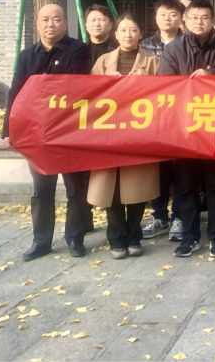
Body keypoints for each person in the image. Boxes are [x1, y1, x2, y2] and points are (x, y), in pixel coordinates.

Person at [3, 4, 91, 261]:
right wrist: (7, 129)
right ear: (37, 24)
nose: (50, 24)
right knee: (42, 190)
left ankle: (74, 238)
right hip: (37, 134)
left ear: (65, 23)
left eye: (56, 19)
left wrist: (38, 85)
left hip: (69, 131)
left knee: (76, 188)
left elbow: (71, 87)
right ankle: (41, 241)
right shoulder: (26, 56)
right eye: (45, 19)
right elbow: (16, 92)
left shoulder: (78, 50)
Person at [158, 0, 215, 258]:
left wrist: (212, 76)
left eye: (204, 18)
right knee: (186, 186)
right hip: (184, 128)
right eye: (194, 17)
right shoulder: (174, 48)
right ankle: (190, 237)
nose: (199, 22)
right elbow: (165, 84)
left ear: (212, 21)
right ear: (185, 20)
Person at [88, 14, 159, 259]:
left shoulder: (153, 62)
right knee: (112, 188)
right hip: (108, 133)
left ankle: (134, 235)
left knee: (137, 187)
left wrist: (146, 83)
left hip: (140, 134)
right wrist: (106, 84)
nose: (128, 34)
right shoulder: (103, 61)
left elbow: (165, 96)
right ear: (116, 34)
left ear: (141, 34)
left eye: (133, 30)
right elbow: (88, 95)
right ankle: (116, 238)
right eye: (123, 30)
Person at [140, 0, 186, 240]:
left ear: (181, 18)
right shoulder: (144, 46)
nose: (167, 18)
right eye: (163, 14)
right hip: (153, 118)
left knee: (180, 170)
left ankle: (178, 216)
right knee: (157, 169)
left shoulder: (188, 44)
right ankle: (159, 216)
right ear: (155, 18)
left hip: (182, 118)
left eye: (173, 14)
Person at [84, 3, 118, 69]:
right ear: (86, 26)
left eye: (101, 20)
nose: (97, 24)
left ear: (110, 25)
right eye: (93, 20)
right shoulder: (80, 50)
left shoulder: (118, 48)